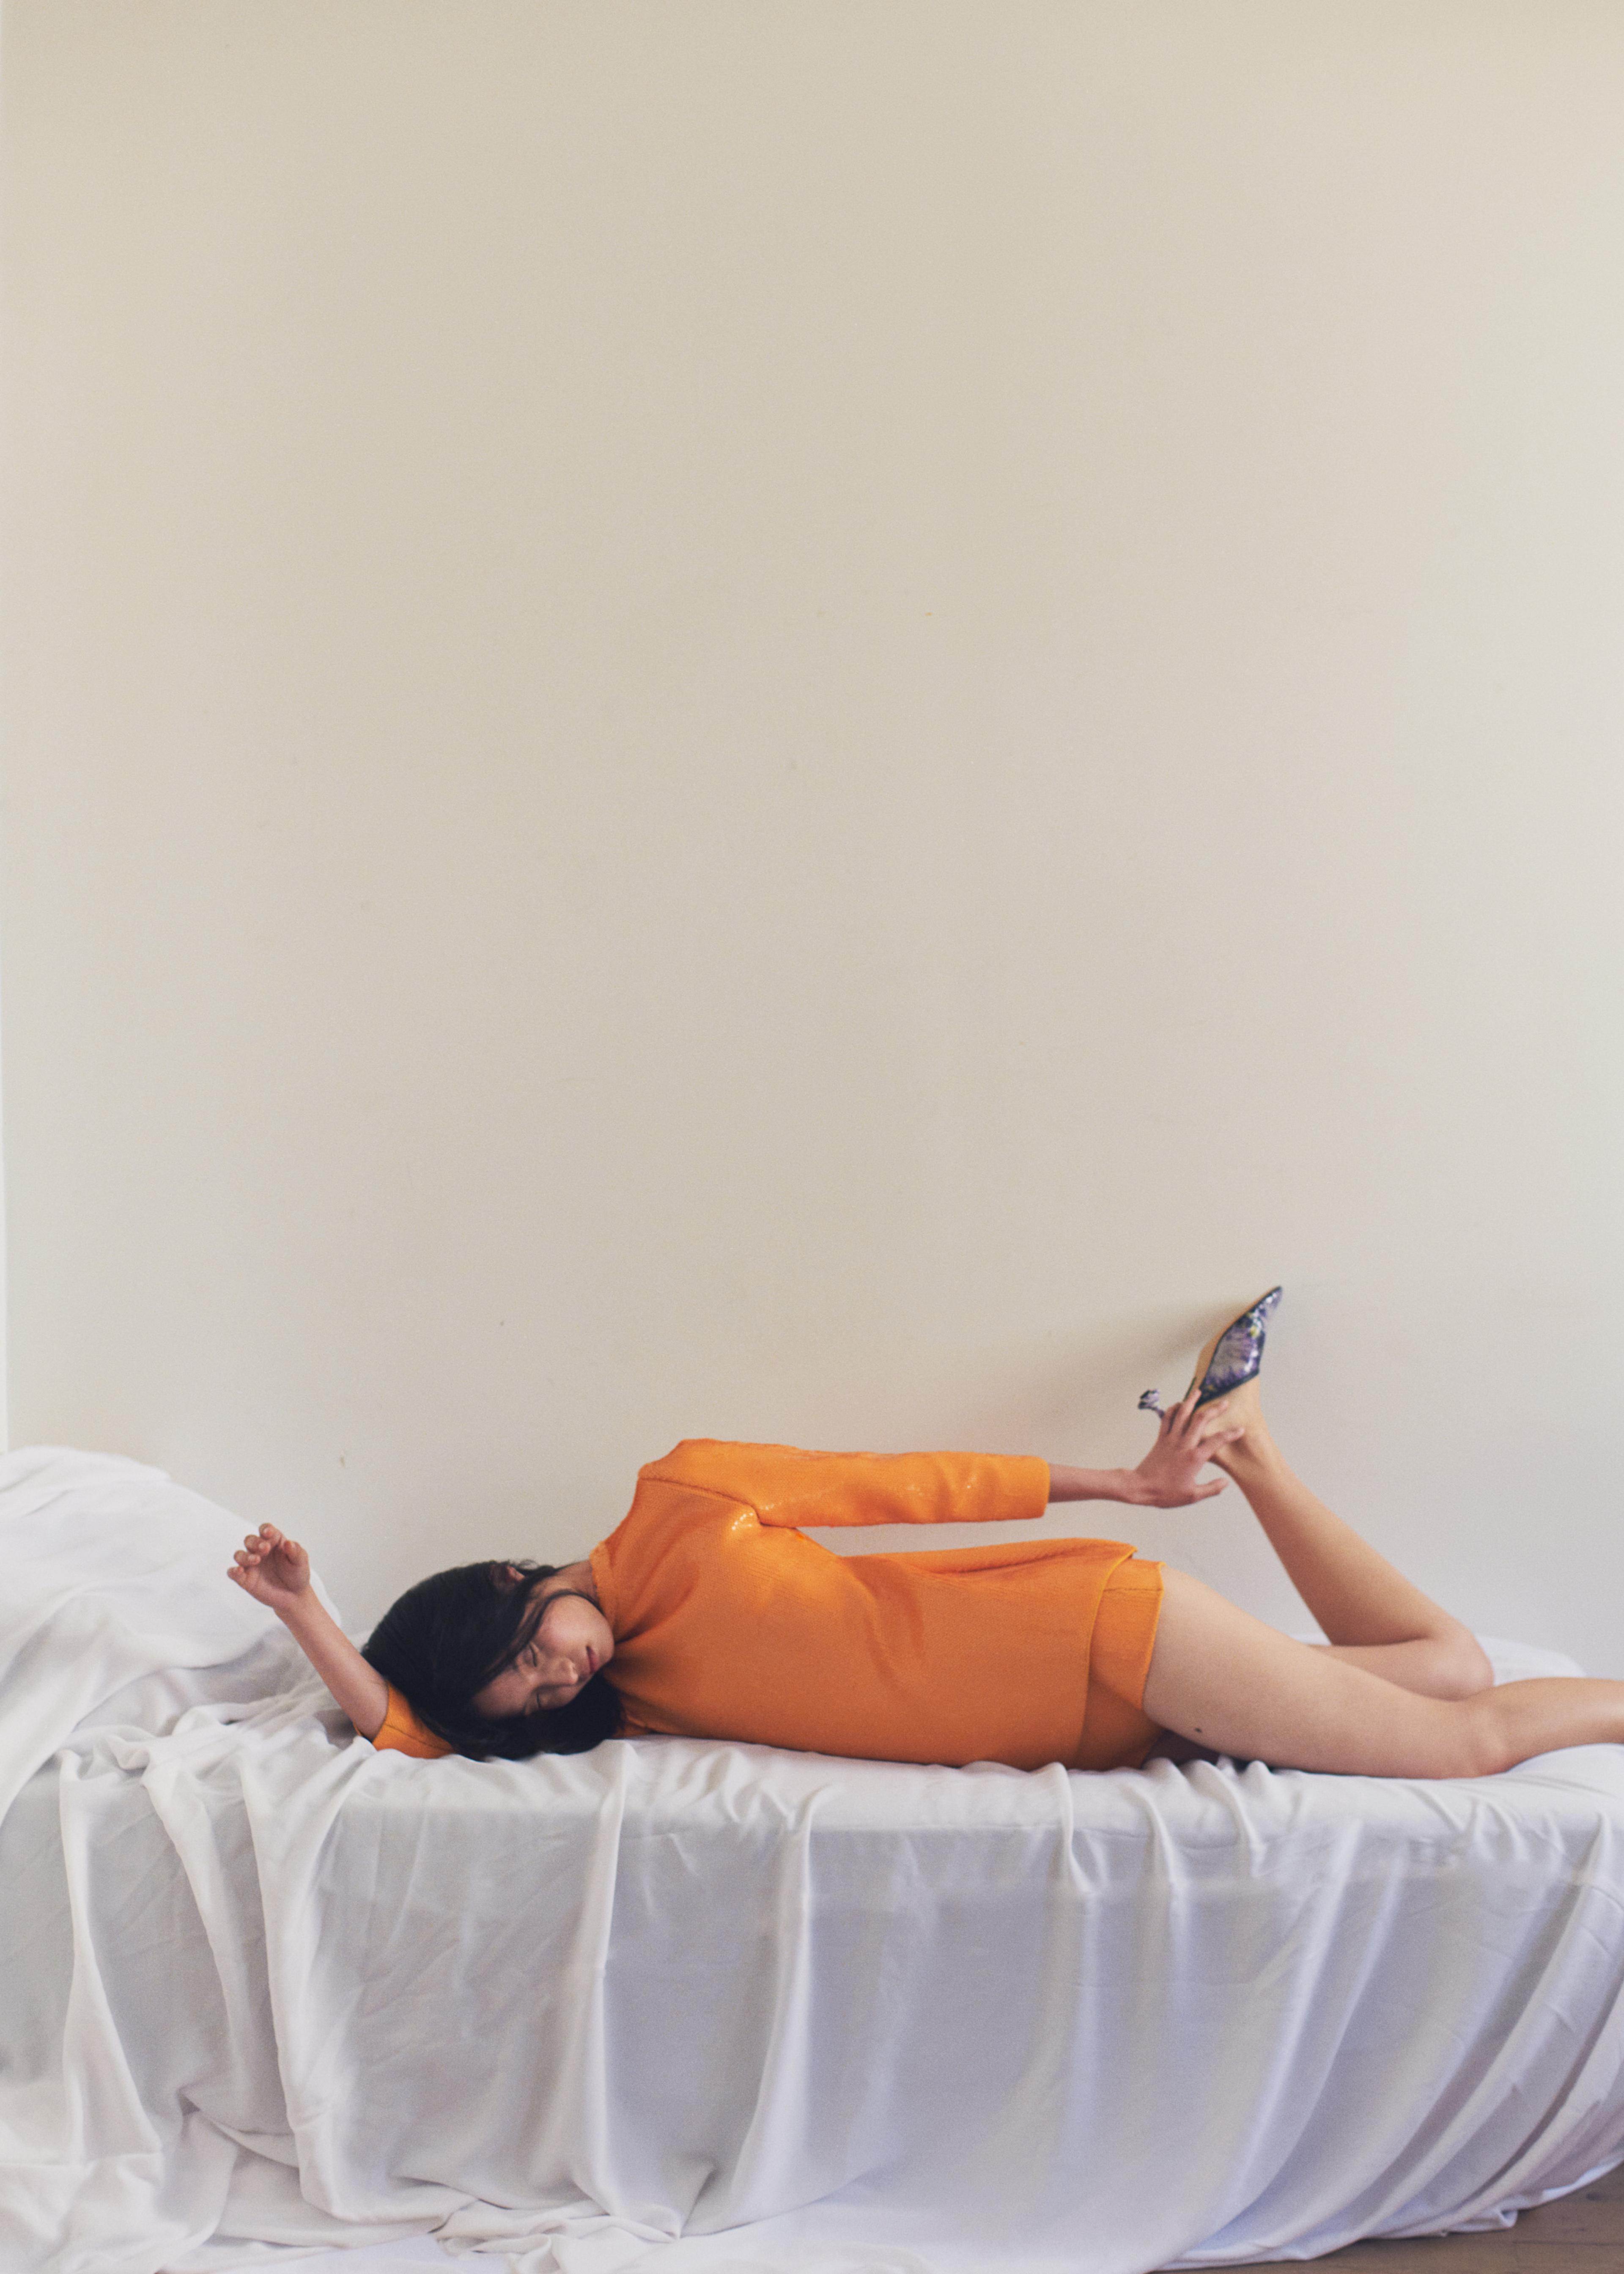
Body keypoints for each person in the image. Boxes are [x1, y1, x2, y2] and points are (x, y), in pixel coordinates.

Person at [228, 1291, 1624, 1778]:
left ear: (508, 1583)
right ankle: (1249, 1444)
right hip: (1114, 1721)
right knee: (1448, 1672)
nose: (559, 1682)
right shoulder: (639, 1703)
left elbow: (901, 1485)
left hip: (1094, 1638)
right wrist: (306, 1616)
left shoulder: (679, 1501)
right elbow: (405, 1733)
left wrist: (1124, 1487)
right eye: (536, 1704)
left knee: (1462, 1745)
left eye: (531, 1658)